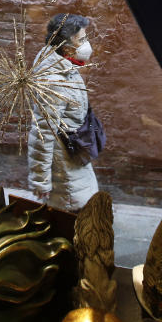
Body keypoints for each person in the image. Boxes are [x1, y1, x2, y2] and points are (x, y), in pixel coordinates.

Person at [27, 13, 98, 212]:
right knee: (70, 216)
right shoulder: (53, 81)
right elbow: (42, 134)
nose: (87, 44)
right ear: (66, 47)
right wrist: (41, 182)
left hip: (73, 156)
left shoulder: (65, 67)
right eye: (82, 39)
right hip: (64, 166)